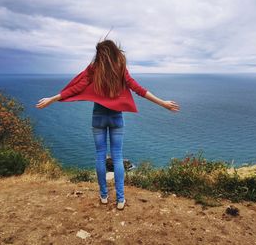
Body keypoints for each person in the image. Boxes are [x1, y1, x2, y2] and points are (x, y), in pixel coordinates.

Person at [36, 39, 180, 210]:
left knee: (100, 156)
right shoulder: (120, 68)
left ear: (101, 54)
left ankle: (103, 196)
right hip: (116, 117)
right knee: (117, 157)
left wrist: (52, 99)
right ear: (114, 52)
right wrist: (162, 102)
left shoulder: (94, 68)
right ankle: (120, 199)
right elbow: (138, 89)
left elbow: (75, 88)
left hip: (98, 116)